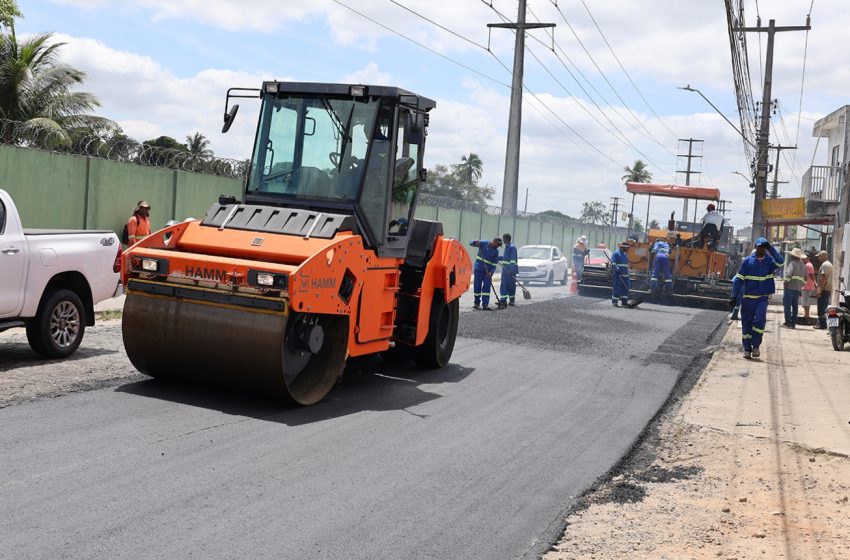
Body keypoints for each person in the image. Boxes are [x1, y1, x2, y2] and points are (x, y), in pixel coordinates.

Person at [731, 237, 783, 359]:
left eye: (763, 247)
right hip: (748, 299)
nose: (761, 248)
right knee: (746, 324)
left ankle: (756, 346)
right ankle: (747, 349)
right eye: (759, 246)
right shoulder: (748, 262)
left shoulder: (770, 262)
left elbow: (780, 262)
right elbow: (738, 279)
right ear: (755, 247)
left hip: (762, 299)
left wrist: (771, 247)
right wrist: (733, 296)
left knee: (760, 321)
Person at [470, 237, 502, 310]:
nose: (497, 246)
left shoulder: (496, 251)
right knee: (477, 286)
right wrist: (475, 242)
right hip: (479, 269)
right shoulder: (484, 243)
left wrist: (491, 272)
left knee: (487, 286)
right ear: (494, 241)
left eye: (499, 245)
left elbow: (494, 264)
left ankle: (485, 304)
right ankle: (477, 302)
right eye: (497, 244)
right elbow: (471, 243)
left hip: (488, 272)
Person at [781, 247, 806, 329]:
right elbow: (805, 279)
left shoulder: (792, 263)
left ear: (793, 256)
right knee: (795, 306)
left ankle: (788, 323)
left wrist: (785, 283)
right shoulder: (803, 265)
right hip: (798, 289)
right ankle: (794, 323)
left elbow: (788, 275)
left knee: (787, 306)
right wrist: (801, 286)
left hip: (790, 288)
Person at [814, 250, 834, 330]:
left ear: (824, 256)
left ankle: (822, 325)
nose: (818, 258)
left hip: (824, 290)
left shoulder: (825, 265)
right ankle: (821, 324)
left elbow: (824, 279)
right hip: (826, 289)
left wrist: (819, 290)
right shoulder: (828, 264)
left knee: (821, 308)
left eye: (819, 256)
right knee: (823, 307)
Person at [498, 233, 518, 307]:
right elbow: (506, 258)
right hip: (505, 270)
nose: (503, 240)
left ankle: (510, 301)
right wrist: (497, 258)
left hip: (509, 271)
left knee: (510, 286)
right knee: (505, 285)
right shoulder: (507, 247)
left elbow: (513, 260)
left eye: (503, 239)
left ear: (506, 239)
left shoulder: (512, 247)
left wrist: (511, 270)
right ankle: (504, 300)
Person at [610, 241, 631, 307]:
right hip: (618, 275)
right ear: (622, 247)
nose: (627, 249)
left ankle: (624, 302)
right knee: (617, 288)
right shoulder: (616, 254)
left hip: (625, 275)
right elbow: (613, 263)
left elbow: (625, 265)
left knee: (626, 287)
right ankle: (615, 302)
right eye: (626, 248)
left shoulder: (625, 255)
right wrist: (617, 269)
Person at [800, 253, 816, 322]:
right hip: (808, 286)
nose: (802, 259)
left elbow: (811, 275)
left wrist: (814, 283)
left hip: (807, 286)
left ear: (808, 258)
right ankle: (807, 315)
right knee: (807, 301)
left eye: (804, 258)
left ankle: (806, 316)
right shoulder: (809, 264)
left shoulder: (808, 265)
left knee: (805, 302)